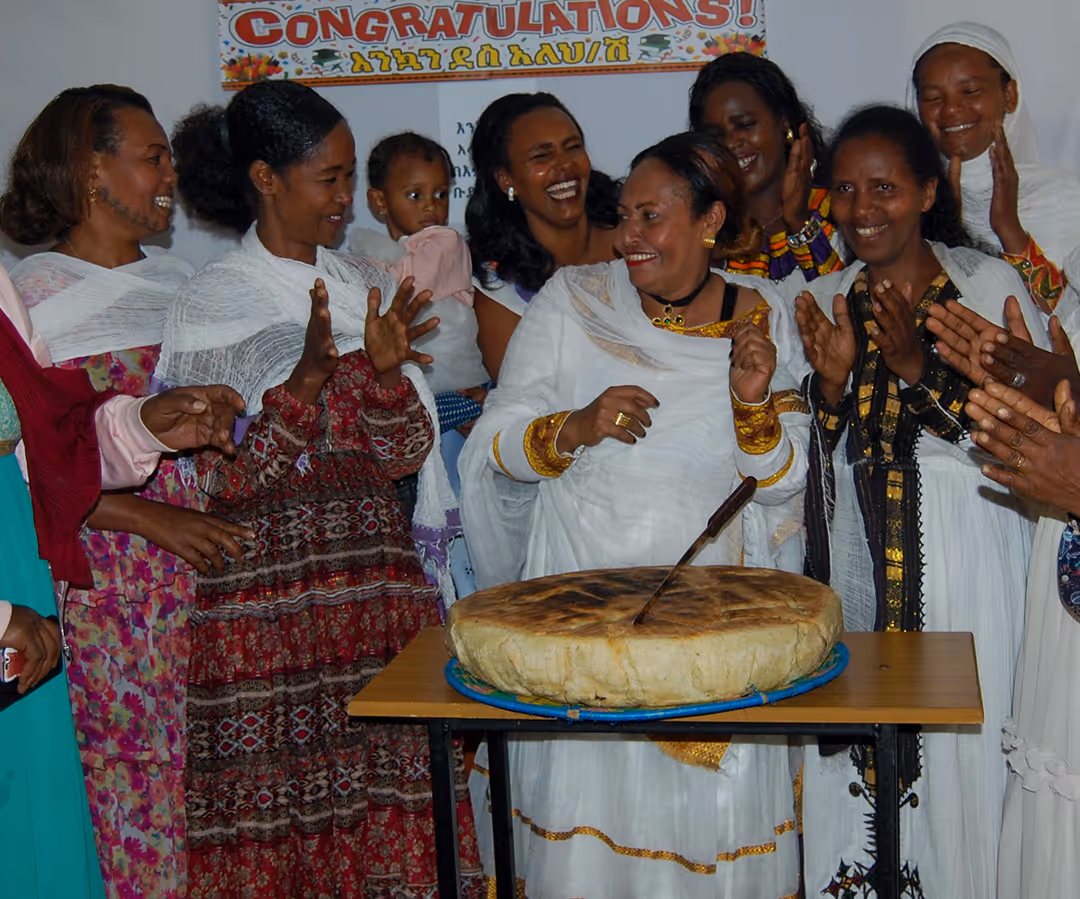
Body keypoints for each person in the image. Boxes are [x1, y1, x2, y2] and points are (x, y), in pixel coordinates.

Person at [459, 130, 809, 898]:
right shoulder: (574, 300)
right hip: (582, 620)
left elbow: (786, 487)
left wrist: (753, 404)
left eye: (651, 217)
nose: (628, 237)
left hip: (707, 630)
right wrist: (573, 427)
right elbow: (494, 446)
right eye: (623, 216)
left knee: (698, 842)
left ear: (710, 219)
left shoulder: (764, 314)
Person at [157, 80, 482, 898]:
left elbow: (403, 454)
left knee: (400, 830)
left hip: (377, 599)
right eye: (328, 178)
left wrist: (386, 376)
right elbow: (224, 479)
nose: (345, 197)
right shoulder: (211, 301)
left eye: (347, 175)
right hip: (272, 618)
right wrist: (304, 379)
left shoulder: (364, 280)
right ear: (266, 178)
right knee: (291, 846)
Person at [0, 83, 250, 899]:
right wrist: (148, 517)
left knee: (218, 784)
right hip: (106, 581)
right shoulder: (34, 300)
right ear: (91, 170)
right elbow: (35, 464)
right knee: (131, 786)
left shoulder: (186, 283)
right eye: (153, 157)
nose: (170, 176)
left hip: (207, 569)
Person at [794, 105, 1046, 898]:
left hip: (964, 547)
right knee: (859, 767)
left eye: (884, 188)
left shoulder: (985, 287)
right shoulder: (824, 295)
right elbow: (809, 455)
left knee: (960, 758)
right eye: (844, 190)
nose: (862, 209)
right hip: (855, 554)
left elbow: (1030, 438)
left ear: (928, 192)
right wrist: (829, 390)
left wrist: (915, 370)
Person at [352, 130, 490, 595]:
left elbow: (403, 291)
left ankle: (461, 592)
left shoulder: (445, 242)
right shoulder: (381, 250)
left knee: (454, 503)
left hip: (449, 396)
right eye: (415, 195)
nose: (432, 206)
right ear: (379, 201)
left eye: (440, 194)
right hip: (412, 399)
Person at [909, 21, 1080, 314]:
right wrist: (944, 232)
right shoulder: (906, 207)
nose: (951, 109)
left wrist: (1009, 228)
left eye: (970, 91)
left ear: (1009, 95)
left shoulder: (1067, 199)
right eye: (934, 98)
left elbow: (1070, 327)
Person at [466, 92, 620, 379]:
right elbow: (522, 396)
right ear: (506, 179)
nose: (564, 166)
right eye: (542, 156)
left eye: (573, 148)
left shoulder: (635, 238)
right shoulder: (500, 292)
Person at [689, 51, 845, 286]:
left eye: (746, 125)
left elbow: (846, 300)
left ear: (784, 124)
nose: (731, 143)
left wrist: (800, 222)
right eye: (715, 136)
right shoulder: (708, 233)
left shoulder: (842, 211)